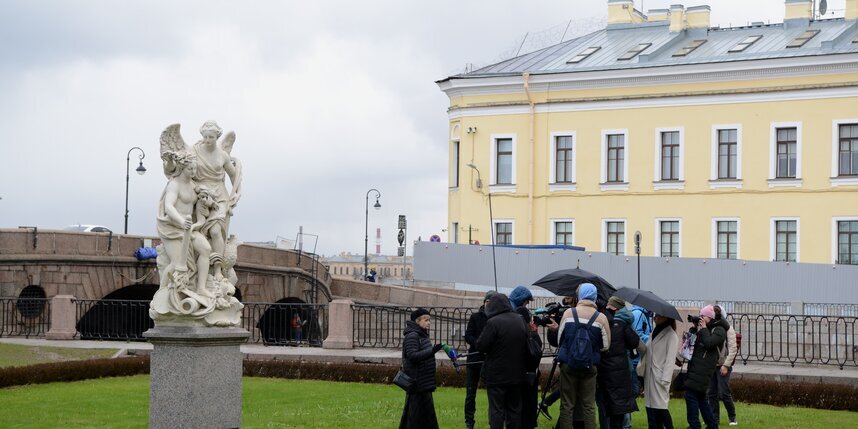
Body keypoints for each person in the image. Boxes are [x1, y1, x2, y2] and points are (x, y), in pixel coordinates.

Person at [156, 151, 213, 297]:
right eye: (190, 169)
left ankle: (201, 288)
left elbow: (202, 204)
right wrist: (181, 222)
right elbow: (169, 206)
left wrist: (207, 202)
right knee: (175, 263)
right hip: (172, 228)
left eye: (195, 169)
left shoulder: (194, 185)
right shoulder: (174, 185)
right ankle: (162, 293)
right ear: (182, 168)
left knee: (206, 249)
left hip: (189, 228)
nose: (193, 172)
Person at [556, 283, 611, 429]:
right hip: (589, 365)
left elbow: (559, 339)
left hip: (568, 364)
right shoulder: (601, 318)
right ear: (594, 296)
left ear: (579, 296)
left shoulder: (568, 313)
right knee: (589, 406)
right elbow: (606, 346)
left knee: (567, 405)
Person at [191, 121, 242, 278]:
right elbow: (185, 170)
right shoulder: (194, 151)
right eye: (205, 137)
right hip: (200, 195)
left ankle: (218, 269)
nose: (207, 140)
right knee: (198, 232)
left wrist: (237, 192)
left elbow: (234, 175)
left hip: (220, 196)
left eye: (211, 137)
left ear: (217, 137)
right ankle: (197, 269)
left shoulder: (222, 155)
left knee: (215, 231)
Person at [477, 292, 529, 429]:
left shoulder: (493, 323)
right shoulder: (520, 320)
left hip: (496, 375)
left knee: (496, 410)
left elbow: (481, 346)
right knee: (514, 410)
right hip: (517, 374)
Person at [597, 296, 645, 429]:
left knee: (606, 407)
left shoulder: (603, 322)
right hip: (623, 371)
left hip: (605, 371)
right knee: (619, 409)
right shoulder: (625, 324)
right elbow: (635, 343)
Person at [684, 305, 727, 429]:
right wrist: (693, 329)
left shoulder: (719, 330)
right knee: (701, 399)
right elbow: (689, 346)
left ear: (710, 317)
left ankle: (694, 425)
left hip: (703, 370)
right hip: (695, 368)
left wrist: (702, 329)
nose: (701, 318)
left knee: (690, 395)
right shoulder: (704, 328)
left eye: (703, 316)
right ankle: (712, 425)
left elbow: (709, 343)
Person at [399, 308, 443, 429]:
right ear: (417, 321)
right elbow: (412, 356)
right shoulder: (412, 335)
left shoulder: (422, 335)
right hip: (417, 382)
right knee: (415, 417)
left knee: (424, 416)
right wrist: (432, 350)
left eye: (429, 320)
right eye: (426, 320)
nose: (429, 322)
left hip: (424, 382)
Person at [509, 286, 542, 429]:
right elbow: (535, 355)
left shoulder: (510, 325)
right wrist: (534, 333)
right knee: (527, 408)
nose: (527, 305)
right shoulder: (530, 335)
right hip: (528, 378)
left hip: (513, 375)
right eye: (526, 302)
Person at [464, 291, 496, 429]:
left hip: (489, 361)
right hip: (474, 359)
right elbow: (468, 335)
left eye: (492, 302)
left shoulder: (496, 319)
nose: (489, 304)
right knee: (471, 393)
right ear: (484, 302)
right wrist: (478, 344)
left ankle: (493, 421)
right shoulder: (475, 317)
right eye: (487, 301)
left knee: (493, 394)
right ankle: (469, 421)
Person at [707, 305, 739, 426]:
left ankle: (732, 417)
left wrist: (726, 365)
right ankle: (714, 419)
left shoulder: (728, 329)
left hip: (723, 365)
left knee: (724, 392)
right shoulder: (710, 327)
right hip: (712, 365)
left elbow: (733, 349)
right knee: (711, 393)